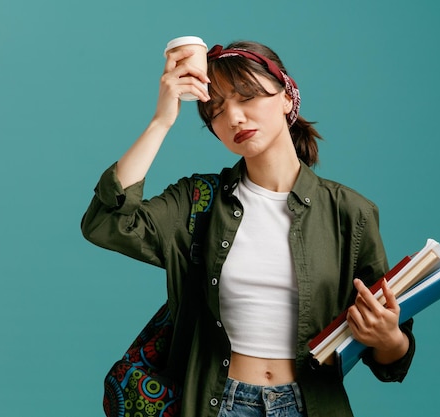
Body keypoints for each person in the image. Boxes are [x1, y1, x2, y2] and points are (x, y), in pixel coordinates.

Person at [81, 40, 415, 417]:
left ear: (287, 96)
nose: (234, 118)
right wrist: (162, 120)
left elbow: (390, 359)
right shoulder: (198, 201)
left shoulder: (350, 213)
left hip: (310, 405)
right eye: (217, 111)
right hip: (220, 405)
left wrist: (389, 337)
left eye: (247, 97)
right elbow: (107, 223)